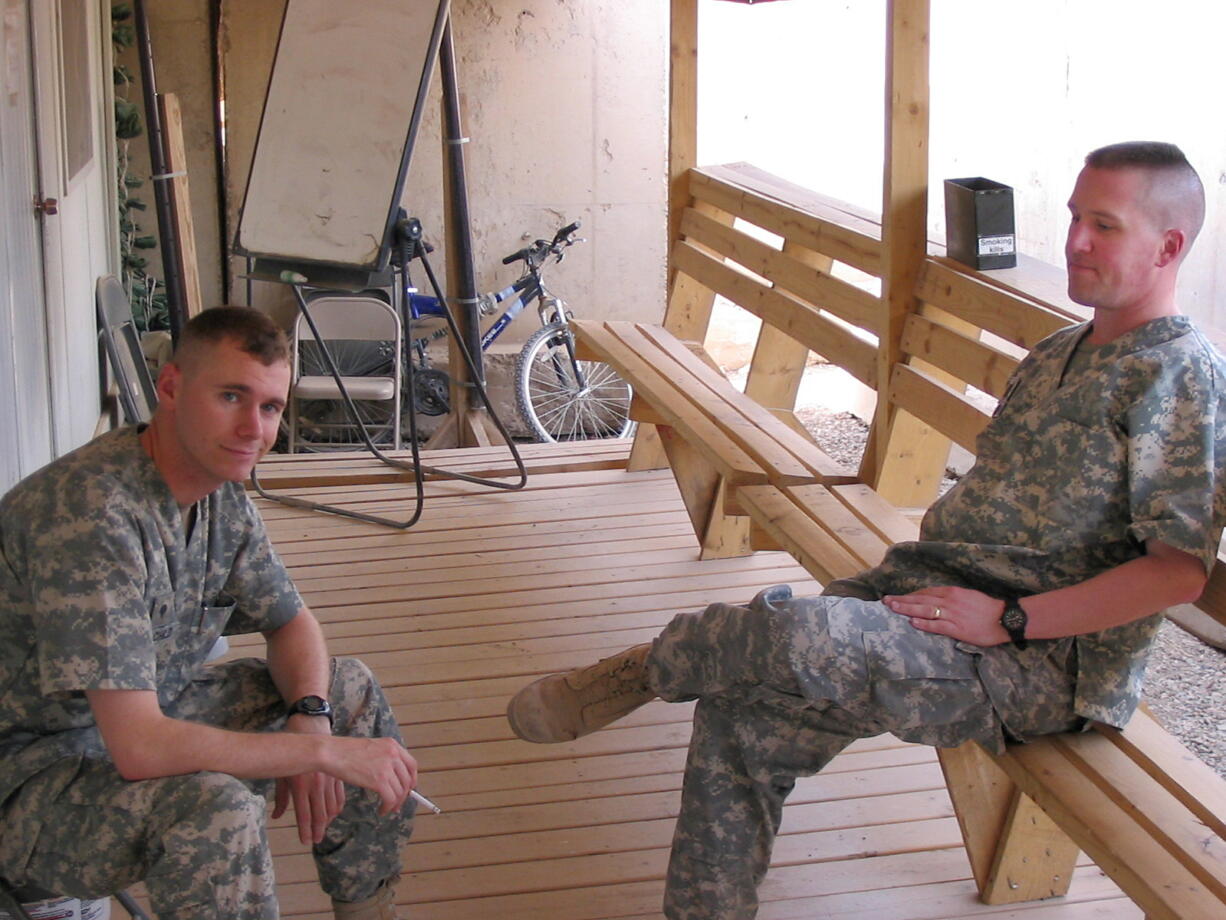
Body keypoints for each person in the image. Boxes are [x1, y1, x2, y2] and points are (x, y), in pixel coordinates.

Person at [506, 140, 1226, 919]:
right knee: (741, 714)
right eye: (1076, 217)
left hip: (1035, 664)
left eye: (1105, 226)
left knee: (789, 634)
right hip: (933, 594)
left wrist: (1009, 619)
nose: (1075, 241)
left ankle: (643, 671)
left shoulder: (1178, 375)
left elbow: (1176, 572)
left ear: (1170, 246)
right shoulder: (1062, 349)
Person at [0, 307, 417, 920]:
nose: (254, 427)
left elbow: (290, 621)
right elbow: (141, 748)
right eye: (231, 396)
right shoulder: (90, 514)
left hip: (132, 721)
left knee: (344, 689)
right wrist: (315, 755)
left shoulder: (216, 492)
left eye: (271, 407)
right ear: (170, 388)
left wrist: (311, 720)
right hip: (31, 780)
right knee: (213, 810)